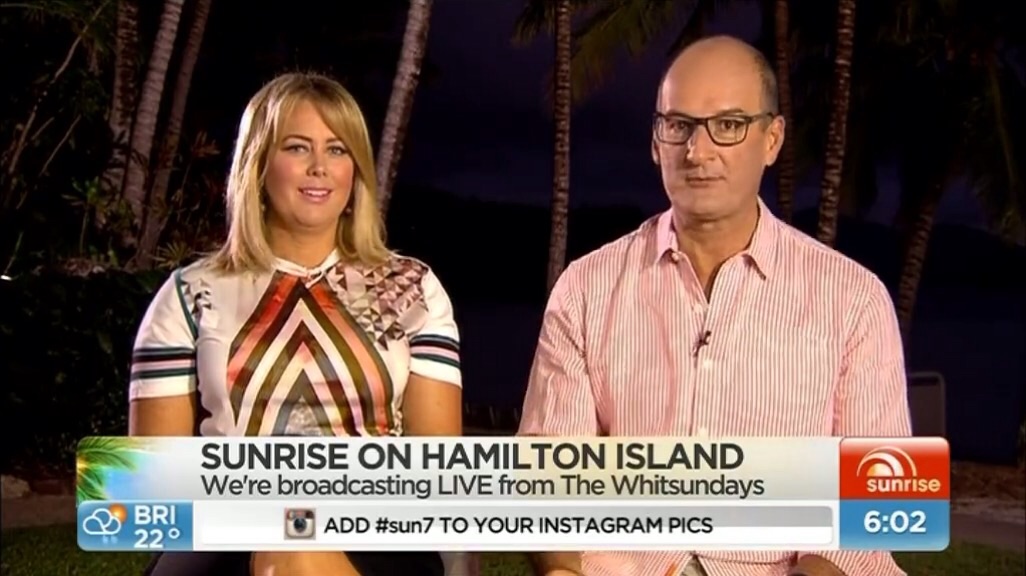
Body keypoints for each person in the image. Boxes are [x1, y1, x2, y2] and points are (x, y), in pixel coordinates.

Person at [517, 35, 911, 576]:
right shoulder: (586, 288)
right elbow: (547, 479)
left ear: (772, 139)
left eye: (728, 125)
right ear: (655, 141)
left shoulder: (852, 300)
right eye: (678, 125)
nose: (697, 152)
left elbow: (874, 504)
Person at [129, 72, 462, 576]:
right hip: (226, 531)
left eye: (337, 150)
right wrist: (276, 518)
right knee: (287, 549)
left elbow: (438, 478)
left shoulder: (413, 289)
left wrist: (307, 523)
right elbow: (155, 492)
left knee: (299, 553)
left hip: (376, 532)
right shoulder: (188, 295)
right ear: (259, 164)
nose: (319, 168)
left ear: (356, 171)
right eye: (297, 147)